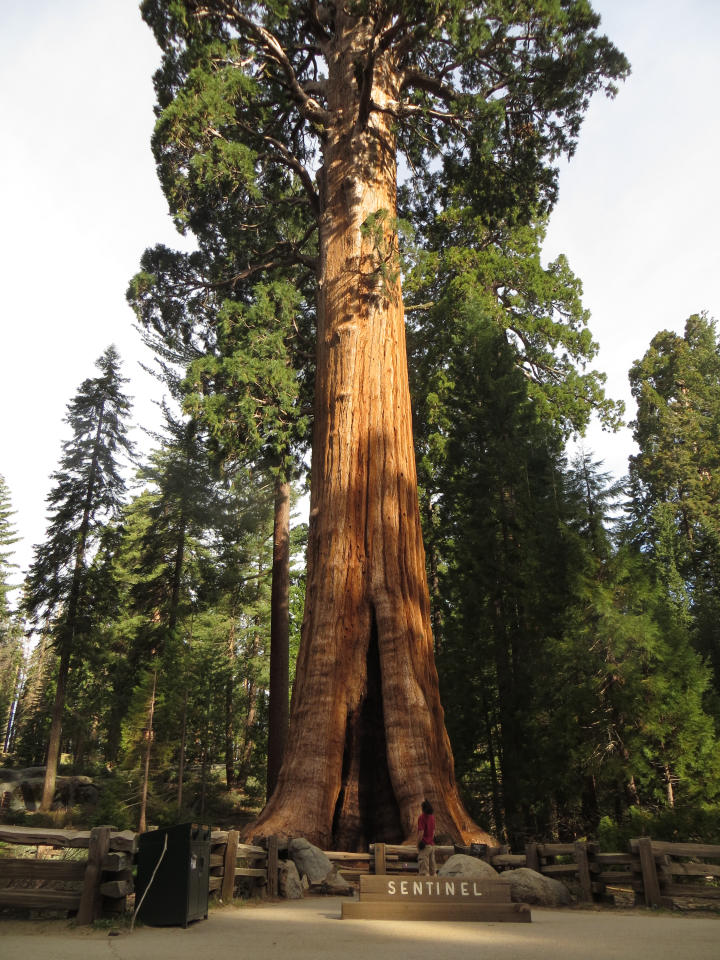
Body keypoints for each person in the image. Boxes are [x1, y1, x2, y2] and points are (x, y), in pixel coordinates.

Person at [417, 799, 436, 876]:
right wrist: (430, 839)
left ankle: (424, 887)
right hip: (431, 845)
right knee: (433, 871)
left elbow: (421, 832)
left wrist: (418, 844)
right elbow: (434, 831)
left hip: (424, 845)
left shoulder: (422, 817)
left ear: (423, 808)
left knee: (424, 871)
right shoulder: (432, 817)